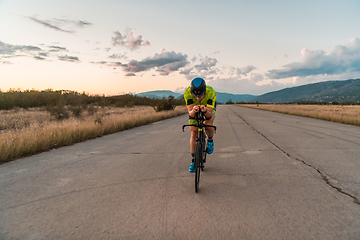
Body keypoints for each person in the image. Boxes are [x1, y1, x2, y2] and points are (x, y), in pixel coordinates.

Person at [184, 77, 217, 173]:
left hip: (207, 108)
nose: (198, 98)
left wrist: (205, 110)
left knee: (208, 123)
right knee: (194, 132)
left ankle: (210, 140)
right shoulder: (187, 93)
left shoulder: (211, 92)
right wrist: (194, 111)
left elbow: (209, 115)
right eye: (195, 95)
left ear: (204, 91)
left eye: (201, 95)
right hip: (194, 109)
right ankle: (193, 161)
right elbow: (190, 114)